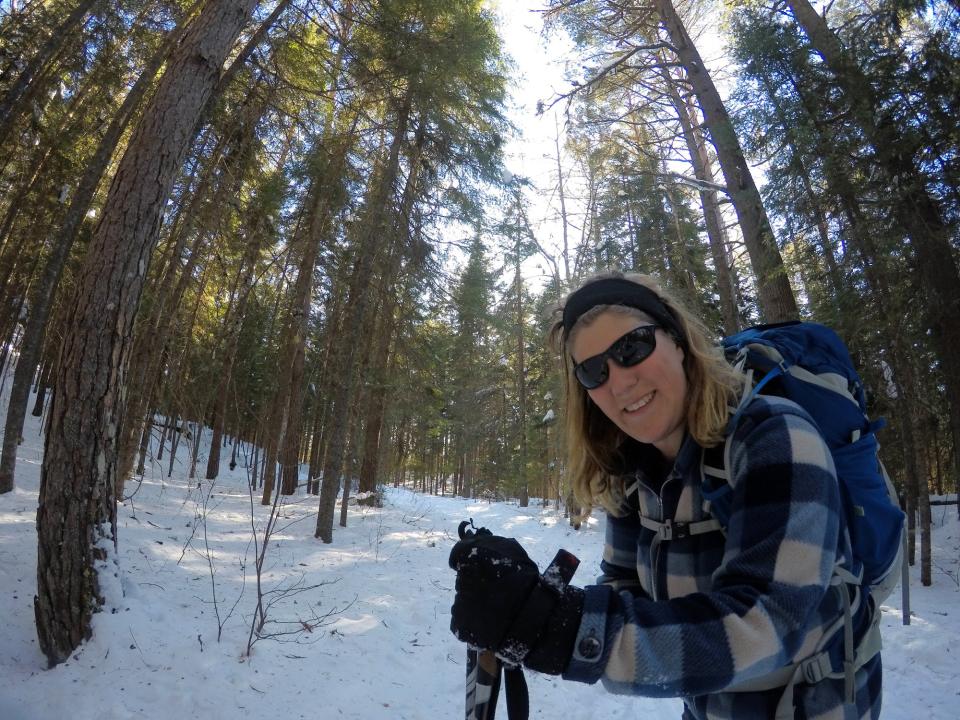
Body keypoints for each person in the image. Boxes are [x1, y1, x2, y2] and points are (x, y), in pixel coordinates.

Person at [448, 272, 882, 719]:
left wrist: (565, 632)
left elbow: (771, 621)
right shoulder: (631, 473)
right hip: (707, 704)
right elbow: (626, 589)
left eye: (631, 347)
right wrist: (532, 608)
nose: (619, 383)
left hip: (813, 704)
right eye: (594, 371)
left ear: (677, 340)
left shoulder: (775, 437)